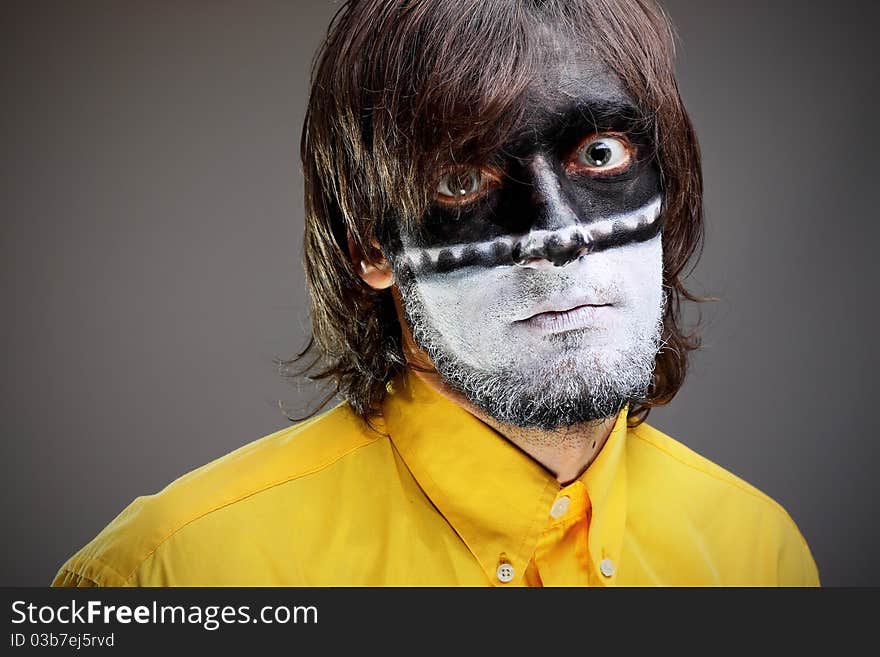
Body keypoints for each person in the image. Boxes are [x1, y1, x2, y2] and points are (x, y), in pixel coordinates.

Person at [52, 0, 819, 587]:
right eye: (462, 178)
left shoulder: (759, 553)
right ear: (370, 245)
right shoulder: (173, 574)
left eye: (600, 151)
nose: (559, 240)